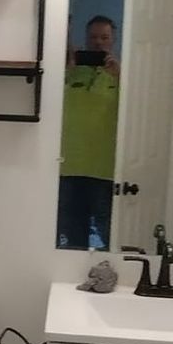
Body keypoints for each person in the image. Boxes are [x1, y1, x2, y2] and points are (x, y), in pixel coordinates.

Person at [58, 14, 121, 249]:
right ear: (85, 39)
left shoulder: (121, 75)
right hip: (69, 166)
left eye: (104, 37)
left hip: (105, 169)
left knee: (109, 233)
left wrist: (120, 76)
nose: (98, 43)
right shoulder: (71, 72)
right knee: (70, 233)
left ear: (113, 40)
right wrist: (66, 72)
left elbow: (137, 112)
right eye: (93, 37)